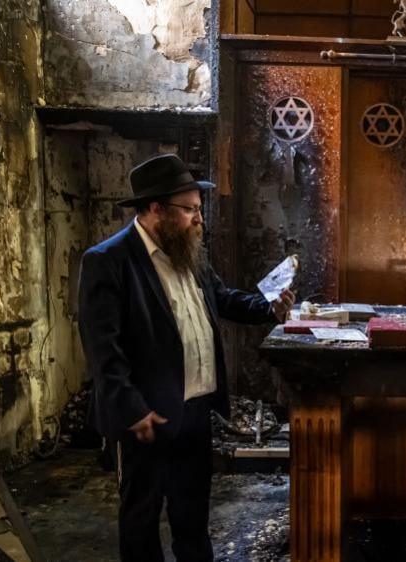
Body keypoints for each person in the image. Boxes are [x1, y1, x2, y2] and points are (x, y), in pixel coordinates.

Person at [77, 153, 295, 562]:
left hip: (194, 412)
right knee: (141, 520)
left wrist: (271, 309)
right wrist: (132, 409)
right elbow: (103, 350)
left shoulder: (186, 252)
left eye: (199, 209)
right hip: (147, 418)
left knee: (192, 518)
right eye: (190, 210)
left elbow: (223, 299)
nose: (200, 219)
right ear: (155, 209)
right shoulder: (108, 262)